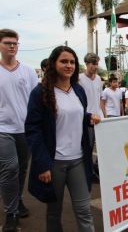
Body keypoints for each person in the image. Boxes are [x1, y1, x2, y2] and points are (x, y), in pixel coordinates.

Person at [25, 46, 101, 232]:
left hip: (78, 160)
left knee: (84, 210)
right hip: (54, 163)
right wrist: (42, 164)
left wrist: (89, 117)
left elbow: (77, 115)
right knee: (54, 212)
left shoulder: (78, 90)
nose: (69, 65)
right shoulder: (40, 92)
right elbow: (33, 129)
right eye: (64, 61)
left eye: (72, 62)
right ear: (53, 64)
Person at [0, 28, 38, 231]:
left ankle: (17, 198)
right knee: (11, 168)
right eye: (7, 43)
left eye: (15, 43)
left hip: (25, 129)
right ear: (0, 45)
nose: (12, 46)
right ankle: (11, 213)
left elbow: (35, 100)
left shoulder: (28, 71)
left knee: (22, 169)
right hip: (2, 129)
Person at [78, 53, 102, 182]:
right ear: (87, 64)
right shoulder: (79, 78)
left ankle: (97, 168)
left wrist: (103, 114)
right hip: (86, 118)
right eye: (93, 63)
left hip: (99, 117)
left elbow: (100, 98)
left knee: (103, 145)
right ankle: (89, 172)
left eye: (97, 63)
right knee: (88, 146)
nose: (95, 66)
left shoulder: (98, 79)